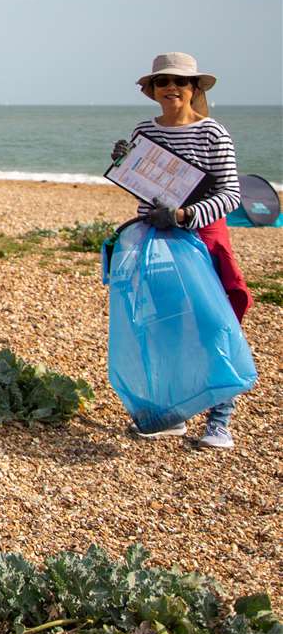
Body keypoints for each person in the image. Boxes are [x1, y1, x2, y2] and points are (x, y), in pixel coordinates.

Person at [111, 53, 251, 449]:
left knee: (216, 324)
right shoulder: (144, 130)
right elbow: (144, 187)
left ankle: (219, 421)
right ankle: (171, 414)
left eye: (180, 81)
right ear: (152, 90)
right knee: (164, 325)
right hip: (155, 241)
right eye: (162, 82)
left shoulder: (212, 133)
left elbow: (231, 194)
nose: (171, 87)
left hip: (203, 238)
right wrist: (125, 164)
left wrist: (185, 214)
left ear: (194, 88)